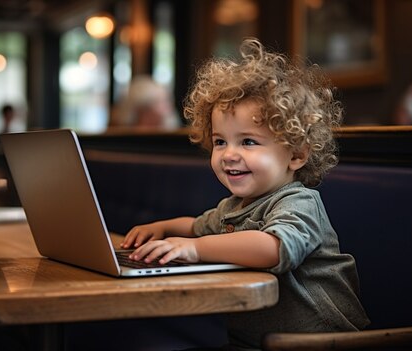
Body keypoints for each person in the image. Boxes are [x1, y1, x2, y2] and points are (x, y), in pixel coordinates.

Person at [120, 38, 370, 350]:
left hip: (321, 343)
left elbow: (273, 247)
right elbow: (198, 225)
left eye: (248, 142)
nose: (228, 154)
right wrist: (165, 228)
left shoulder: (299, 202)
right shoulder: (234, 207)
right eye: (220, 141)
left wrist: (194, 249)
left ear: (296, 155)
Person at [110, 75, 181, 130]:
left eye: (166, 101)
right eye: (161, 102)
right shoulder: (123, 134)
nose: (169, 106)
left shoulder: (169, 132)